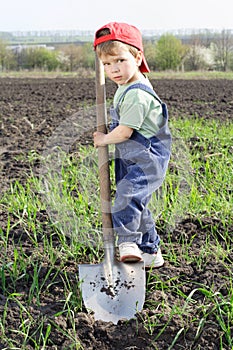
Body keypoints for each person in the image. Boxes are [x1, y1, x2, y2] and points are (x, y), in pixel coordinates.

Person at [93, 22, 171, 268]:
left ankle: (128, 242)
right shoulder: (125, 85)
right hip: (132, 157)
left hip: (147, 157)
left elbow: (125, 132)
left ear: (138, 57)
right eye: (107, 64)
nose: (113, 69)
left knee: (127, 196)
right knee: (140, 204)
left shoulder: (137, 94)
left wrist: (104, 139)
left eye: (119, 61)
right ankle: (151, 251)